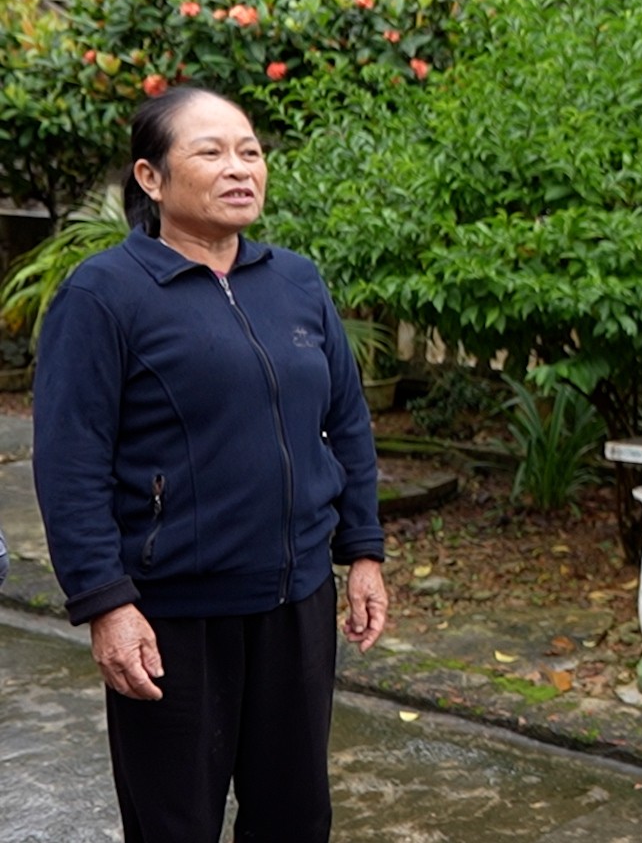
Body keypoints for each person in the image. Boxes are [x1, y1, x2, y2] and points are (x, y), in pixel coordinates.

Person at [34, 86, 388, 842]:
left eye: (250, 152)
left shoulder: (296, 281)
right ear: (151, 177)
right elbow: (71, 462)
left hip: (296, 601)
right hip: (173, 614)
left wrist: (362, 551)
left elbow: (347, 421)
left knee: (296, 817)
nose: (240, 168)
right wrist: (105, 603)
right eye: (212, 152)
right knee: (174, 824)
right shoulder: (104, 295)